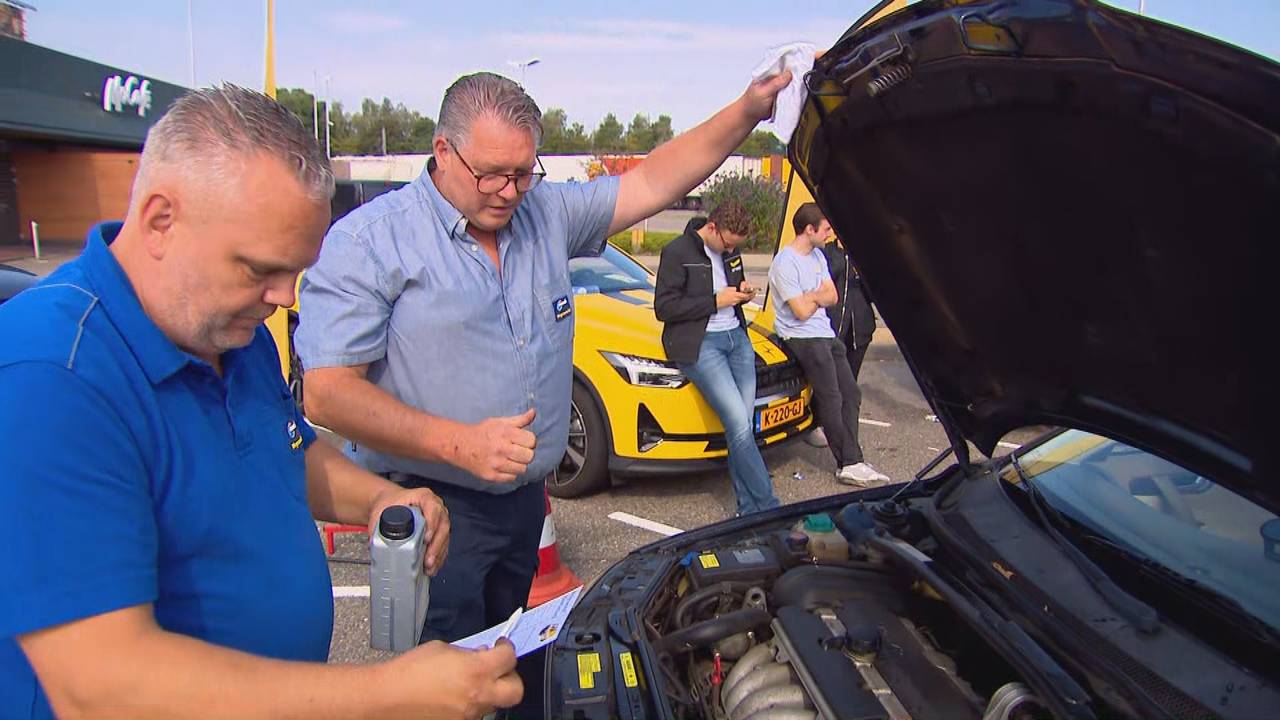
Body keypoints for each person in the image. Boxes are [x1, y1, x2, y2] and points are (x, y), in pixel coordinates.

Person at [0, 85, 522, 720]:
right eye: (259, 269)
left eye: (296, 271)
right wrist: (391, 694)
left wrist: (379, 498)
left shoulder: (228, 328)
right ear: (161, 220)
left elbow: (283, 451)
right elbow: (101, 686)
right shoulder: (53, 373)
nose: (283, 297)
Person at [294, 69, 791, 706]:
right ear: (443, 152)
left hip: (525, 502)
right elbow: (328, 392)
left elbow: (651, 179)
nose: (509, 192)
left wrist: (747, 110)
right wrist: (457, 444)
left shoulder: (543, 214)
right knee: (441, 687)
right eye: (493, 174)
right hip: (434, 511)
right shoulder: (370, 242)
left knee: (508, 660)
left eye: (524, 173)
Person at [653, 204, 783, 516]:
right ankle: (770, 509)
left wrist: (742, 292)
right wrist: (715, 302)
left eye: (735, 245)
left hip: (737, 338)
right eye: (727, 243)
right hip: (702, 344)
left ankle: (748, 510)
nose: (730, 249)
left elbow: (731, 287)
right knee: (739, 424)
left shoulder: (728, 251)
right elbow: (664, 308)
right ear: (711, 227)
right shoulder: (676, 251)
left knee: (743, 427)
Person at [769, 203, 890, 486]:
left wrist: (810, 297)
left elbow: (832, 296)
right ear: (808, 229)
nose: (830, 233)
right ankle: (848, 462)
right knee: (831, 398)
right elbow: (799, 312)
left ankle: (854, 458)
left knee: (852, 394)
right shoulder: (784, 263)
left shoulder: (818, 258)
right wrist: (815, 296)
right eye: (825, 229)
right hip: (802, 337)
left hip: (825, 332)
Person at [821, 232, 877, 381]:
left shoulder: (868, 254)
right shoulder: (826, 251)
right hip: (832, 328)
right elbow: (826, 277)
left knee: (850, 383)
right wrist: (841, 253)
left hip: (860, 330)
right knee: (830, 383)